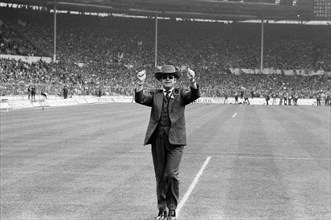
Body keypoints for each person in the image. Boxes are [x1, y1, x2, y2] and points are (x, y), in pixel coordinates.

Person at [134, 65, 200, 220]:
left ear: (175, 80)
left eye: (171, 77)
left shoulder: (181, 93)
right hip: (158, 140)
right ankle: (162, 209)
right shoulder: (155, 94)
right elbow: (140, 98)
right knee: (160, 176)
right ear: (161, 80)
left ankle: (172, 208)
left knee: (171, 174)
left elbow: (194, 95)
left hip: (176, 141)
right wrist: (140, 83)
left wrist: (193, 80)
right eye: (164, 77)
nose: (168, 79)